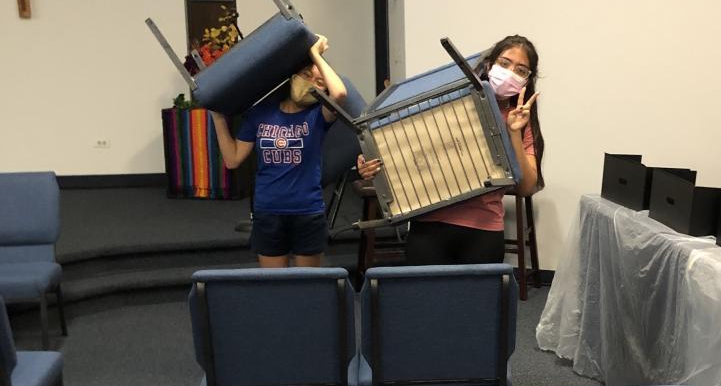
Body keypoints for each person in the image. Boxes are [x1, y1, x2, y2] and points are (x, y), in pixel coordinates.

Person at [357, 35, 544, 265]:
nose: (510, 73)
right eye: (504, 64)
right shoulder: (449, 100)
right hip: (428, 225)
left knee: (477, 290)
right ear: (489, 65)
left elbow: (526, 187)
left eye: (520, 70)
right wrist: (371, 162)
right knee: (426, 288)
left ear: (527, 80)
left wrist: (514, 132)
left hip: (483, 229)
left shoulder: (521, 119)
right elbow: (405, 144)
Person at [212, 36, 348, 267]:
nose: (310, 83)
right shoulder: (261, 113)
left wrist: (315, 54)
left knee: (309, 284)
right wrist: (217, 117)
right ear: (293, 75)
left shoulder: (318, 115)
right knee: (276, 284)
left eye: (318, 82)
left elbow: (340, 94)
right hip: (269, 210)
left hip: (307, 210)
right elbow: (233, 159)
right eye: (306, 75)